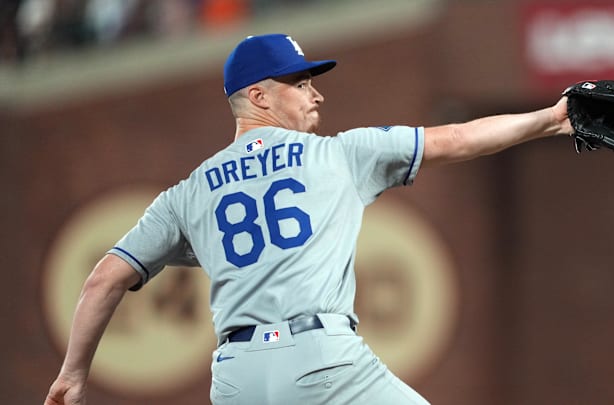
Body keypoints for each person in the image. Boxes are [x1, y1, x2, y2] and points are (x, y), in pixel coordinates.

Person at [45, 33, 573, 405]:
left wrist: (72, 373)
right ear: (258, 96)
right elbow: (456, 138)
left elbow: (103, 279)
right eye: (299, 82)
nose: (315, 92)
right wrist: (550, 121)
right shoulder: (338, 154)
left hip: (237, 380)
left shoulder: (186, 194)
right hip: (323, 362)